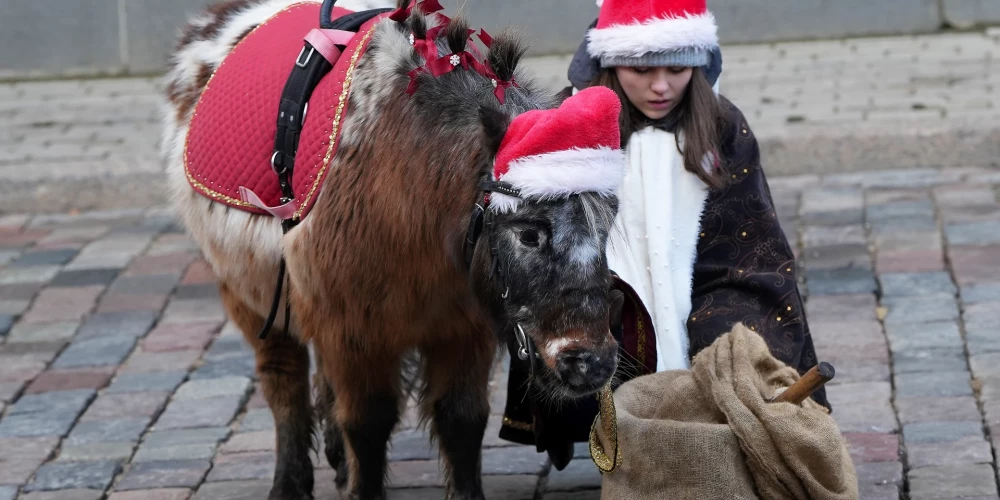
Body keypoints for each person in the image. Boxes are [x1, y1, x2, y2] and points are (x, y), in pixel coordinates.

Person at [498, 0, 829, 469]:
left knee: (734, 347)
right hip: (600, 290)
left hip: (708, 284)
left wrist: (715, 321)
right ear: (610, 61)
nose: (660, 86)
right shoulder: (569, 123)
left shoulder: (721, 125)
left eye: (677, 69)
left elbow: (749, 240)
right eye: (641, 69)